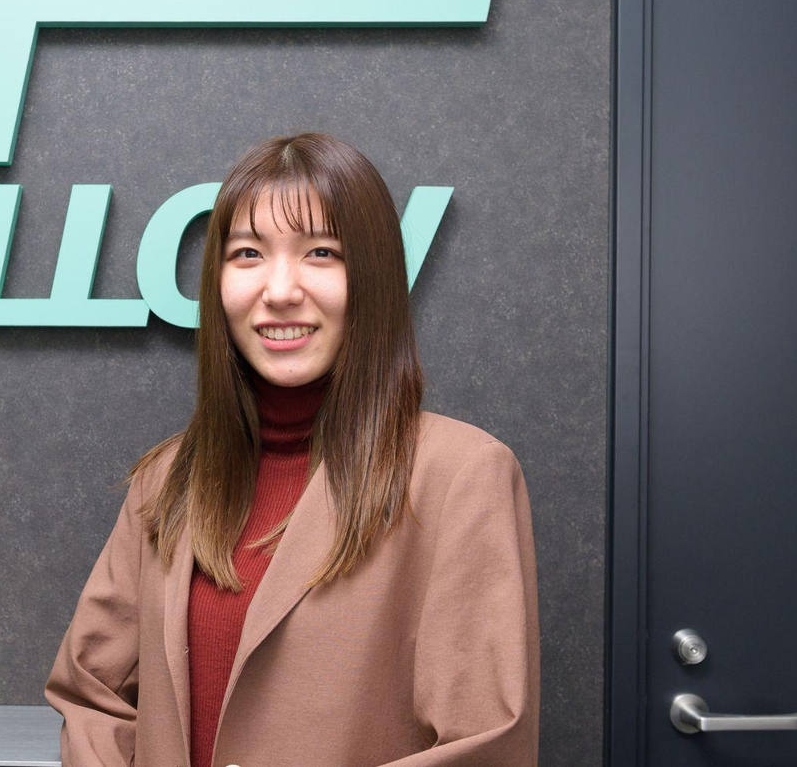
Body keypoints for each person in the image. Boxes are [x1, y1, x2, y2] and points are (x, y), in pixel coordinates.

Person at [44, 132, 540, 766]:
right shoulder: (167, 479)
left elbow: (486, 745)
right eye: (248, 253)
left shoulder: (463, 476)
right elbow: (92, 695)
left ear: (374, 277)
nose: (279, 290)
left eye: (321, 253)